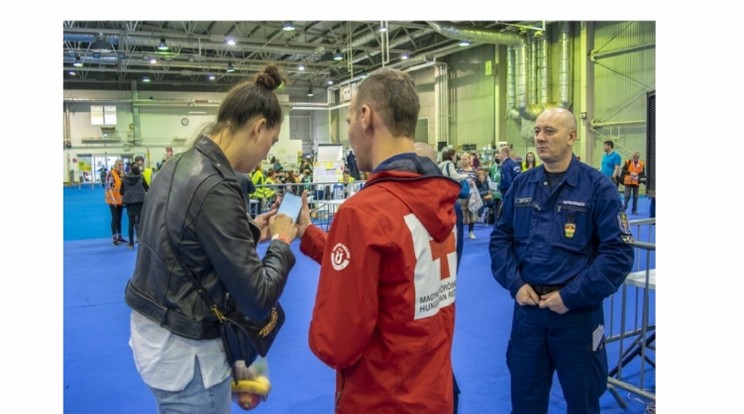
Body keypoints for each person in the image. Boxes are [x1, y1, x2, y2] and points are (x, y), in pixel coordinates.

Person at [124, 65, 304, 414]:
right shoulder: (218, 187)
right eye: (272, 141)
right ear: (258, 127)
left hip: (157, 333)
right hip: (189, 355)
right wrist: (281, 240)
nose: (268, 152)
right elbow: (257, 299)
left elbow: (182, 240)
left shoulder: (179, 164)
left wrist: (249, 230)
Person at [298, 67, 460, 413]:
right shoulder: (441, 200)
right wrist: (311, 236)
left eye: (347, 122)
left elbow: (335, 342)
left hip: (381, 398)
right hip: (434, 391)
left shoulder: (363, 212)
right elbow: (392, 269)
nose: (350, 134)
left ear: (365, 116)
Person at [489, 107, 634, 414]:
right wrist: (515, 284)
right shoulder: (522, 185)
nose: (540, 138)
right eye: (537, 131)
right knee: (525, 402)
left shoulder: (598, 188)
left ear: (572, 136)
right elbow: (501, 239)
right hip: (528, 314)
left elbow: (618, 253)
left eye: (549, 131)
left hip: (576, 317)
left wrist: (570, 296)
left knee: (582, 402)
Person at [120, 163, 149, 249]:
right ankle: (141, 241)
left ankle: (131, 243)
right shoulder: (141, 177)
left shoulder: (125, 178)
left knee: (130, 223)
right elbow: (147, 188)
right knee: (141, 223)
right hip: (140, 202)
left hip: (130, 203)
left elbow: (121, 191)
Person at [104, 159, 126, 246]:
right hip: (112, 200)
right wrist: (113, 199)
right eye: (119, 165)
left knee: (119, 218)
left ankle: (120, 237)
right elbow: (108, 187)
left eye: (122, 165)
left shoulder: (122, 174)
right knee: (115, 218)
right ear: (115, 165)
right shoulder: (111, 173)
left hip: (120, 200)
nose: (121, 166)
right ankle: (114, 239)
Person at [457, 152, 478, 239]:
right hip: (462, 194)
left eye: (465, 159)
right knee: (461, 213)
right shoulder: (458, 170)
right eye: (462, 159)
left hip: (472, 194)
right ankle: (460, 232)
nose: (463, 161)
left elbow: (476, 181)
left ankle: (471, 232)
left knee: (472, 212)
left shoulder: (473, 170)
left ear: (469, 160)